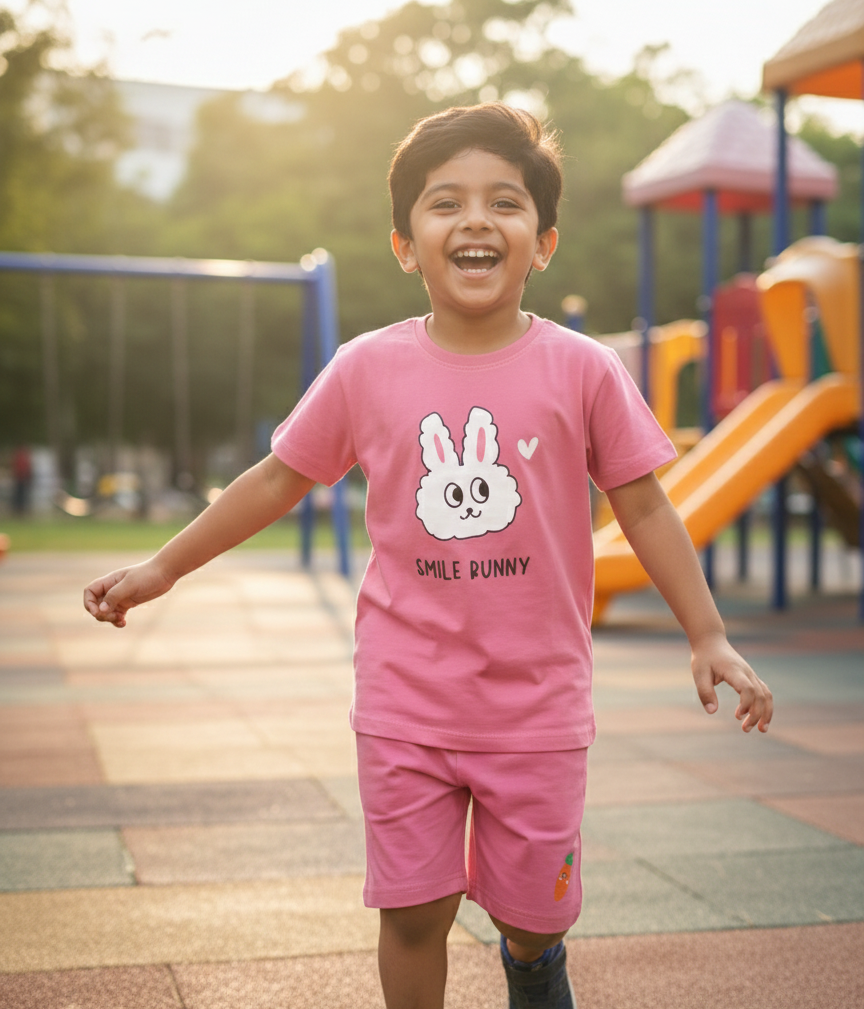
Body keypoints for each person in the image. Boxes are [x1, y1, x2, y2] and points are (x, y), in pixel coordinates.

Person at [84, 103, 773, 1009]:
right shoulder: (367, 368)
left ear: (546, 240)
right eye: (445, 204)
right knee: (413, 911)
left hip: (536, 705)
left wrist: (709, 634)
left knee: (537, 918)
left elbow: (643, 504)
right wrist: (162, 569)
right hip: (406, 698)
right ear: (407, 245)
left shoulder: (583, 371)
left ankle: (533, 964)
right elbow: (274, 479)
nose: (477, 220)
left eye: (506, 203)